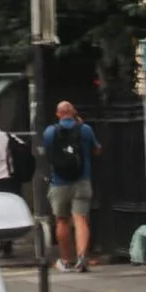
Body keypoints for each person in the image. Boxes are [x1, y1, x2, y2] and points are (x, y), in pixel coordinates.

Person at [38, 99, 99, 272]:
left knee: (62, 221)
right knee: (80, 219)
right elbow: (97, 150)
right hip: (82, 180)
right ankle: (82, 257)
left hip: (59, 182)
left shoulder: (50, 132)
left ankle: (66, 260)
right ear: (73, 112)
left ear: (58, 114)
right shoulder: (85, 130)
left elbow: (47, 152)